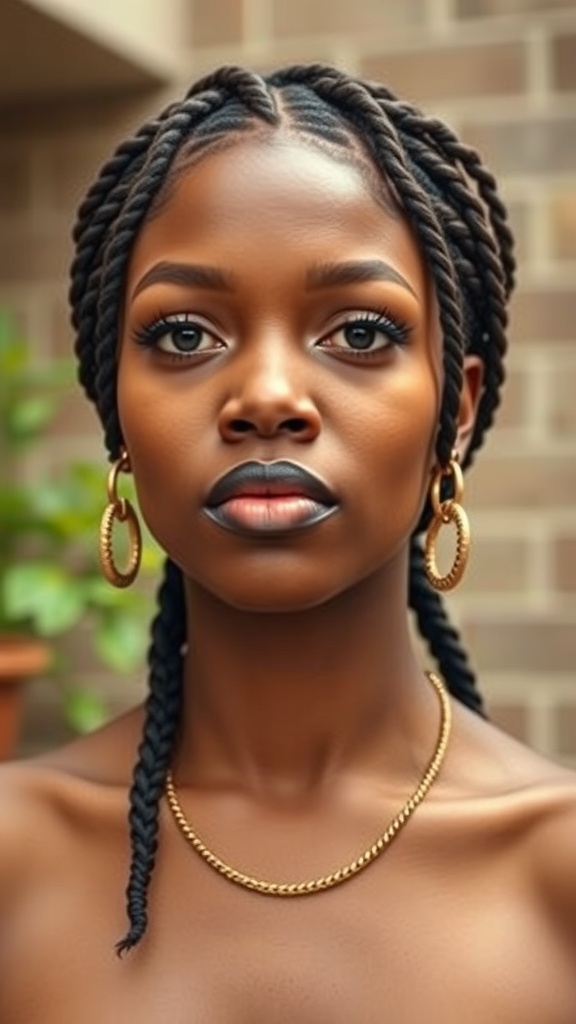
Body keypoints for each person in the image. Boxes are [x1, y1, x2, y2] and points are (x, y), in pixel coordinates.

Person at [1, 63, 575, 1023]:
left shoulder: (557, 873)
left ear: (458, 410)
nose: (267, 395)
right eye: (184, 335)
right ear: (116, 415)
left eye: (359, 331)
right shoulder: (12, 860)